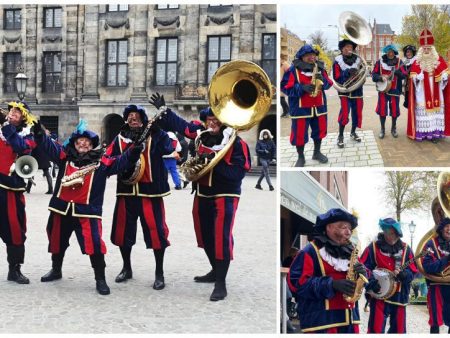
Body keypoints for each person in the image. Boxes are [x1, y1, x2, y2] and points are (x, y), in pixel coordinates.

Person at [150, 93, 250, 301]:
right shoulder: (200, 136)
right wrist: (164, 109)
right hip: (202, 194)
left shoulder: (236, 143)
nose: (212, 124)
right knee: (204, 235)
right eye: (209, 120)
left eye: (216, 121)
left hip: (225, 195)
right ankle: (215, 270)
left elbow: (238, 173)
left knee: (221, 237)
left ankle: (221, 284)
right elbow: (181, 125)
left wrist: (213, 161)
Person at [34, 120, 143, 295]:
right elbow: (50, 148)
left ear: (92, 145)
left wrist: (134, 150)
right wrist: (39, 134)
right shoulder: (65, 158)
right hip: (61, 209)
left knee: (95, 245)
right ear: (74, 144)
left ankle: (100, 279)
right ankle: (56, 269)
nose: (83, 143)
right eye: (79, 141)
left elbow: (122, 162)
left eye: (87, 142)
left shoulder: (102, 162)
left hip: (88, 211)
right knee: (56, 240)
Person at [105, 105, 174, 291]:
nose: (132, 119)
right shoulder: (119, 139)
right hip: (126, 193)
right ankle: (126, 268)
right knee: (122, 232)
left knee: (157, 233)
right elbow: (107, 161)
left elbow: (170, 148)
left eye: (136, 116)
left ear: (143, 119)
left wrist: (159, 131)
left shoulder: (156, 135)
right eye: (129, 116)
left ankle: (159, 273)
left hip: (150, 193)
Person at [288, 208, 367, 333]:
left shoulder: (351, 252)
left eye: (350, 229)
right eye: (343, 227)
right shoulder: (310, 251)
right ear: (328, 227)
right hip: (322, 323)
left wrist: (362, 273)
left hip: (350, 321)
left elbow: (363, 279)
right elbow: (297, 283)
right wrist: (332, 284)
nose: (348, 232)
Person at [0, 101, 37, 284]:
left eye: (18, 111)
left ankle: (14, 269)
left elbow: (21, 148)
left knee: (15, 229)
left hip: (10, 190)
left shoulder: (28, 136)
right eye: (11, 110)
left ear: (24, 118)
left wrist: (7, 127)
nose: (12, 113)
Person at [360, 217, 417, 333]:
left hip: (400, 296)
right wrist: (370, 282)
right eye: (387, 233)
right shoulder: (374, 247)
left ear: (397, 233)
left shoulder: (406, 249)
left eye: (392, 233)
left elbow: (413, 271)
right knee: (375, 329)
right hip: (378, 295)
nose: (389, 236)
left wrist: (405, 275)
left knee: (399, 331)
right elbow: (362, 267)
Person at [281, 44, 333, 167]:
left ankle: (317, 152)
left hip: (319, 107)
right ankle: (301, 157)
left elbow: (328, 84)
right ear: (302, 57)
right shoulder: (293, 70)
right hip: (300, 109)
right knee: (299, 134)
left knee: (319, 131)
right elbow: (285, 87)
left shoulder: (320, 68)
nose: (312, 57)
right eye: (308, 55)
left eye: (313, 55)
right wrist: (301, 87)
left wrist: (323, 80)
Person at [406, 29, 450, 142]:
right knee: (424, 111)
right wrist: (417, 77)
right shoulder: (417, 61)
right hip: (422, 91)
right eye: (424, 48)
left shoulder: (438, 59)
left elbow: (445, 72)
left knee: (435, 112)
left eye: (428, 48)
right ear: (421, 49)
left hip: (436, 89)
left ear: (432, 48)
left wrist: (444, 77)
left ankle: (435, 134)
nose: (426, 50)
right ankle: (424, 134)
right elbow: (412, 77)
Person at [420, 217, 450, 334]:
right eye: (447, 226)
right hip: (436, 286)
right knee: (435, 321)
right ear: (441, 229)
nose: (449, 229)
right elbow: (427, 266)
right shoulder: (430, 244)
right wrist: (446, 259)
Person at [333, 38, 364, 148]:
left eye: (350, 47)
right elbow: (336, 78)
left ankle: (353, 132)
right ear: (342, 49)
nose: (348, 49)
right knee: (345, 112)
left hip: (357, 90)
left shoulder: (358, 60)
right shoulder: (337, 61)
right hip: (344, 91)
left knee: (357, 113)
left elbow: (363, 73)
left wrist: (361, 76)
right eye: (346, 47)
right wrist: (347, 72)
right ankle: (340, 135)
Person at [372, 44, 405, 139]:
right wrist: (379, 77)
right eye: (388, 51)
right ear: (386, 52)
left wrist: (400, 74)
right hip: (383, 90)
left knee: (394, 110)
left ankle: (393, 128)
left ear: (394, 52)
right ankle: (382, 129)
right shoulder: (380, 62)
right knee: (382, 109)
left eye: (392, 51)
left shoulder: (400, 62)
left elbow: (404, 75)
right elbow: (374, 74)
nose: (390, 53)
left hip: (395, 90)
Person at [26, 128, 54, 194]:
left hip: (35, 156)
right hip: (44, 157)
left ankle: (28, 189)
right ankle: (51, 189)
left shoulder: (33, 138)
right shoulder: (45, 138)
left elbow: (30, 147)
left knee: (31, 173)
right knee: (47, 173)